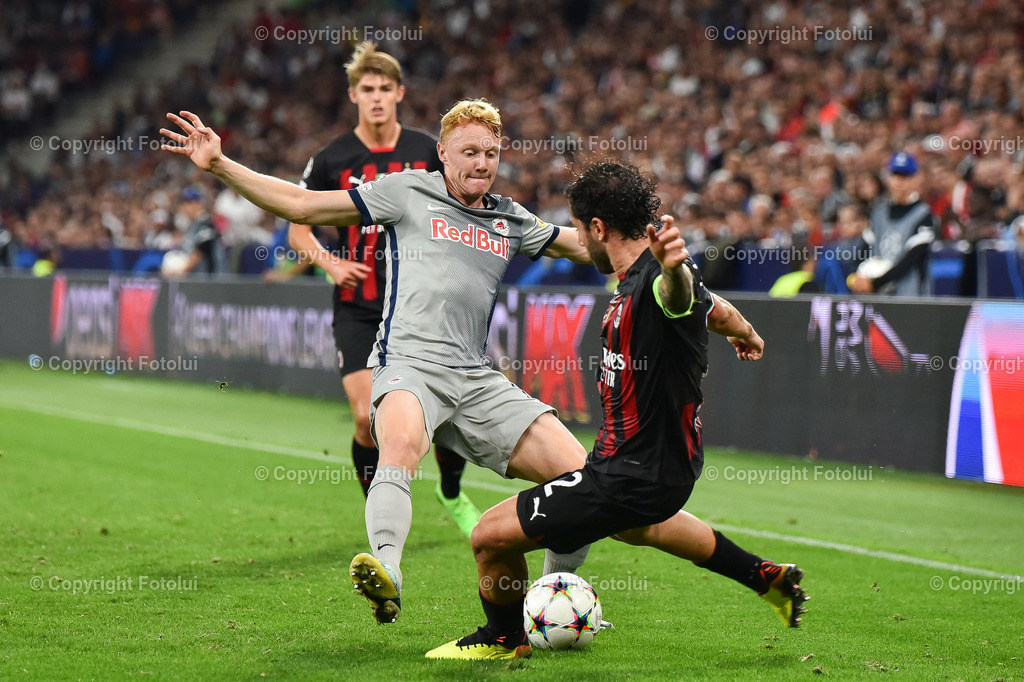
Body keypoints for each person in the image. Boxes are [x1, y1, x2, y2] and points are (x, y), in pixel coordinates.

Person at [160, 98, 600, 627]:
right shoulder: (408, 190)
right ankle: (387, 574)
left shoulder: (510, 217)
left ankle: (555, 600)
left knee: (581, 477)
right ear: (442, 153)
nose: (482, 162)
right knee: (398, 446)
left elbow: (586, 246)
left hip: (477, 377)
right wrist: (220, 165)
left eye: (490, 152)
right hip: (409, 364)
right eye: (469, 152)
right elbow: (303, 207)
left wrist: (644, 242)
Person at [425, 161, 807, 661]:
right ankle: (764, 577)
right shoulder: (642, 277)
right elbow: (717, 309)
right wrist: (745, 332)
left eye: (582, 231)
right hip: (655, 470)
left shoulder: (657, 283)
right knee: (640, 526)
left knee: (489, 537)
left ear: (599, 228)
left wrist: (674, 271)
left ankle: (502, 639)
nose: (580, 243)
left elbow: (677, 296)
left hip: (630, 474)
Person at [262, 42, 481, 535]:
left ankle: (449, 490)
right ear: (353, 94)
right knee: (366, 421)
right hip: (359, 307)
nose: (377, 97)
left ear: (400, 93)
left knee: (442, 420)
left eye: (386, 88)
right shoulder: (331, 158)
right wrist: (330, 264)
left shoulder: (427, 151)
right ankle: (378, 515)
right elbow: (299, 225)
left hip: (420, 305)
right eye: (368, 89)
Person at [849, 152, 938, 296]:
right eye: (895, 176)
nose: (899, 182)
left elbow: (912, 259)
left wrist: (875, 283)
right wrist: (859, 276)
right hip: (875, 295)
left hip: (907, 295)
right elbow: (865, 248)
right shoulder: (878, 211)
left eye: (905, 177)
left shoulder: (924, 215)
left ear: (916, 179)